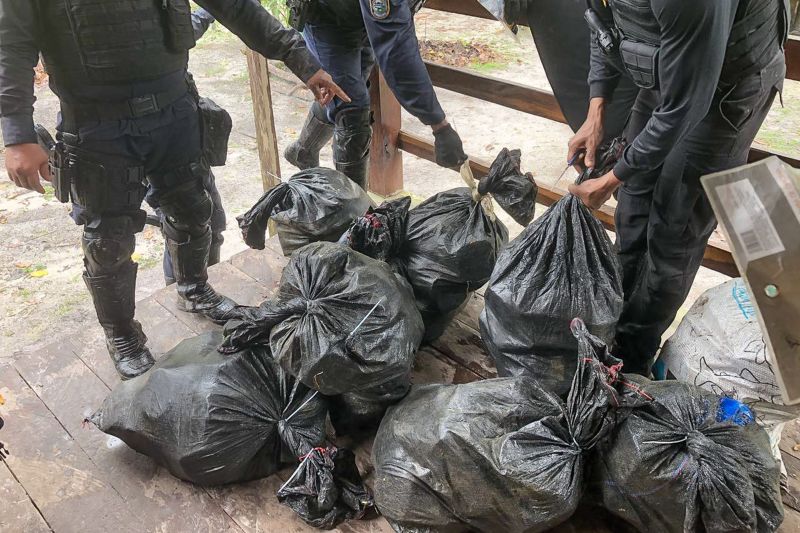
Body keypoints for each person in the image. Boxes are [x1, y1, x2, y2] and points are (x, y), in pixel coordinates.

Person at [1, 0, 347, 380]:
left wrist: (303, 63)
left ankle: (194, 288)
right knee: (108, 240)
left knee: (192, 209)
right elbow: (11, 41)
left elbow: (235, 7)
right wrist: (17, 134)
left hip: (174, 108)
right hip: (96, 125)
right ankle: (121, 334)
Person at [566, 0, 790, 375]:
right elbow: (601, 22)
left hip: (727, 88)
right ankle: (610, 333)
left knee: (674, 226)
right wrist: (596, 110)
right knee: (633, 208)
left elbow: (688, 104)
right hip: (670, 65)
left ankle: (632, 360)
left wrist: (611, 178)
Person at [283, 0, 467, 189]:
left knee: (340, 94)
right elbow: (397, 52)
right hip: (326, 19)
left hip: (359, 18)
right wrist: (439, 125)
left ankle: (302, 151)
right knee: (351, 107)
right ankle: (354, 212)